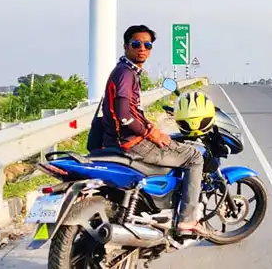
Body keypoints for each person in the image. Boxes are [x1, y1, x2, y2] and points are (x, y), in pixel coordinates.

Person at [88, 24, 210, 236]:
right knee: (193, 157)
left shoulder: (124, 71)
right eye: (136, 44)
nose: (142, 48)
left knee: (170, 143)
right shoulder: (126, 74)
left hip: (115, 140)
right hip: (131, 143)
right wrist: (150, 132)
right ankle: (187, 220)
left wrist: (149, 126)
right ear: (126, 46)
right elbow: (124, 115)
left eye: (147, 45)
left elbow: (129, 111)